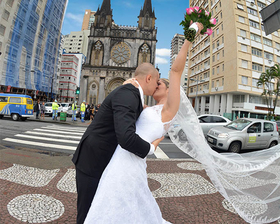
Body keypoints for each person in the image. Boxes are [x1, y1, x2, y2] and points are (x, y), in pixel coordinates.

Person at [83, 22, 204, 224]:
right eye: (156, 81)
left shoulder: (168, 109)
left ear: (170, 91)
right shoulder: (146, 108)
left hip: (130, 165)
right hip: (116, 162)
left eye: (160, 83)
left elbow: (175, 71)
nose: (156, 84)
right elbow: (126, 113)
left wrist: (190, 36)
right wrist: (127, 84)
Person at [72, 61, 164, 223]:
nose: (157, 86)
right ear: (149, 78)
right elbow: (126, 138)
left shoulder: (131, 93)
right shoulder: (128, 94)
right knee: (87, 214)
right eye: (157, 82)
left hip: (101, 160)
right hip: (93, 162)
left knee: (97, 212)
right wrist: (151, 147)